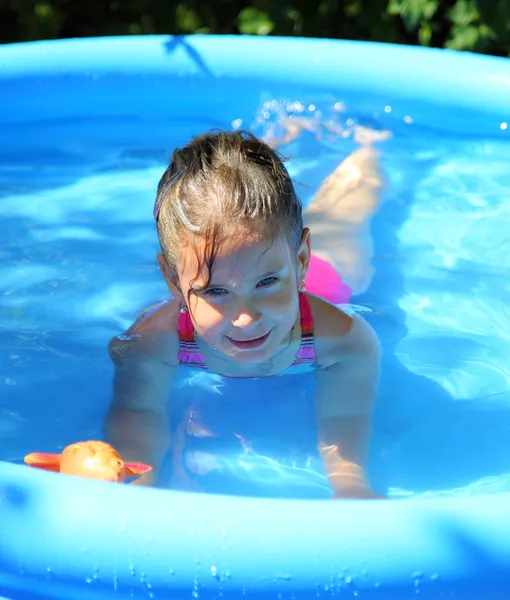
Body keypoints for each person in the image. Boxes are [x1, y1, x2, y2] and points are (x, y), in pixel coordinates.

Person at [105, 129, 384, 499]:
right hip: (274, 261)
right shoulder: (154, 342)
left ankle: (368, 150)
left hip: (325, 280)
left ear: (300, 261)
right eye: (216, 291)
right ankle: (273, 142)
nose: (246, 318)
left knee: (344, 220)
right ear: (174, 281)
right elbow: (138, 412)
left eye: (267, 282)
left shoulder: (343, 340)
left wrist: (350, 483)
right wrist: (136, 484)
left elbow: (344, 417)